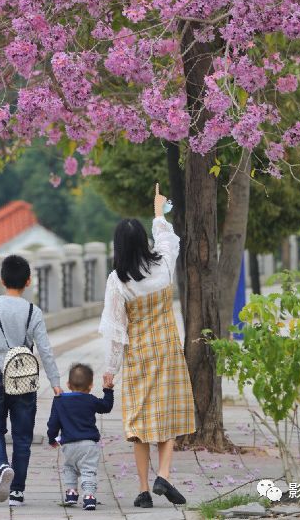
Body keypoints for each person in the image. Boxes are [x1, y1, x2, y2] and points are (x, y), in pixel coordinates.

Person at [99, 184, 196, 509]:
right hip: (167, 351)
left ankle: (142, 490)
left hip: (138, 355)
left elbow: (116, 329)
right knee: (168, 414)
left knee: (139, 422)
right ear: (143, 241)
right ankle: (164, 474)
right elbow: (168, 240)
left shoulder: (118, 281)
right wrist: (157, 213)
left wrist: (110, 370)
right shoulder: (163, 266)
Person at [0, 253, 62, 505]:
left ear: (2, 280)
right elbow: (45, 349)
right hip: (25, 379)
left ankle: (2, 467)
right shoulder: (34, 311)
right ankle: (17, 492)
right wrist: (55, 382)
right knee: (23, 436)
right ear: (28, 281)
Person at [47, 362, 114, 512]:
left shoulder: (59, 401)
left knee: (69, 467)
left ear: (68, 384)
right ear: (90, 385)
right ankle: (89, 496)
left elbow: (53, 423)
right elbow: (106, 407)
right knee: (88, 470)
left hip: (68, 445)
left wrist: (52, 439)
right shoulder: (90, 399)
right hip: (89, 445)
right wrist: (108, 390)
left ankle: (71, 492)